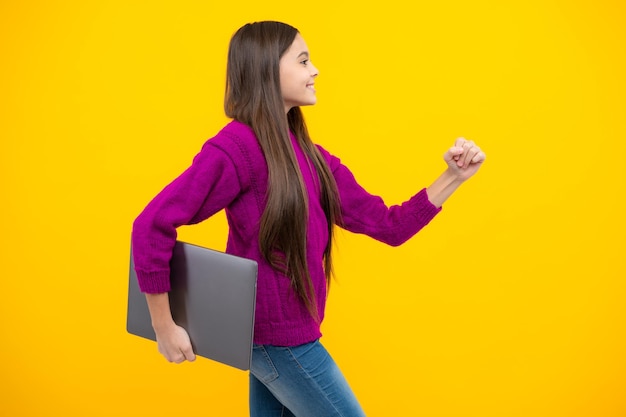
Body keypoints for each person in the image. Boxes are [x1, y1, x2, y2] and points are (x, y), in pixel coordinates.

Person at [131, 20, 485, 417]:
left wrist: (453, 177)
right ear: (267, 69)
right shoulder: (236, 148)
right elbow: (151, 225)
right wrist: (163, 326)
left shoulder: (313, 158)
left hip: (278, 338)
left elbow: (390, 226)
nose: (314, 70)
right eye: (302, 60)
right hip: (278, 340)